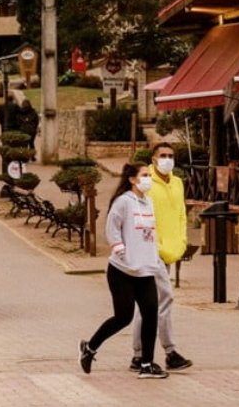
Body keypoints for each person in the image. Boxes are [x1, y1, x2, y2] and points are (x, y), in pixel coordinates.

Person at [80, 163, 169, 379]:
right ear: (132, 179)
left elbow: (149, 233)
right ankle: (90, 347)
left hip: (145, 270)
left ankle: (147, 364)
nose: (148, 179)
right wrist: (121, 251)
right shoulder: (123, 202)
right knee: (123, 317)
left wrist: (152, 258)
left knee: (150, 314)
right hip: (122, 271)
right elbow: (112, 229)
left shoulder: (149, 202)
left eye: (149, 175)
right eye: (144, 175)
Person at [129, 143, 193, 373]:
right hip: (150, 251)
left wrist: (181, 242)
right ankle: (168, 351)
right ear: (153, 159)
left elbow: (181, 215)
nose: (167, 159)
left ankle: (140, 354)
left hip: (170, 251)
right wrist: (152, 246)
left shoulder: (177, 183)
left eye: (171, 156)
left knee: (148, 303)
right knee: (164, 298)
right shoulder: (146, 182)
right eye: (162, 156)